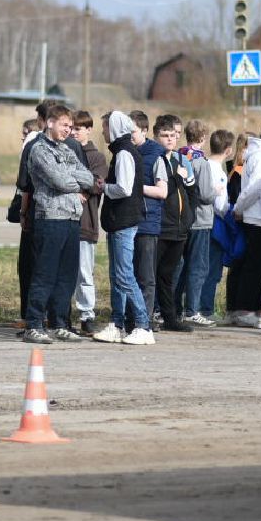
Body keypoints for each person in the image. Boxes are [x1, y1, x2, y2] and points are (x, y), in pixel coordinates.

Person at [20, 104, 97, 344]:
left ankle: (60, 323)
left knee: (66, 276)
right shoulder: (39, 150)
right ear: (50, 122)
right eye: (64, 125)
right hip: (51, 218)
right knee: (45, 274)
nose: (68, 130)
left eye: (71, 127)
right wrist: (75, 181)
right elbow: (60, 181)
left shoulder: (66, 149)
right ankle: (34, 324)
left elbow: (89, 178)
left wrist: (74, 179)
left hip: (71, 218)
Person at [93, 111, 154, 346]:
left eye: (105, 128)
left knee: (125, 275)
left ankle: (143, 325)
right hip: (118, 222)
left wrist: (104, 188)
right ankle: (117, 324)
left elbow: (124, 188)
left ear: (115, 129)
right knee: (117, 276)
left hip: (123, 222)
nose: (103, 132)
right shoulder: (122, 151)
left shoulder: (124, 153)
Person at [226, 117, 261, 328]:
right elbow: (255, 187)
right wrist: (239, 208)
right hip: (260, 217)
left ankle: (257, 309)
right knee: (255, 266)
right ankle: (245, 309)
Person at [150, 114, 199, 333]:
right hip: (160, 226)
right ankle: (144, 316)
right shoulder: (154, 159)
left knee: (168, 276)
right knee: (150, 274)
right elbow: (163, 191)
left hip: (180, 228)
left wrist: (189, 217)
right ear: (156, 136)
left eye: (173, 135)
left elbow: (192, 191)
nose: (170, 139)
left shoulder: (180, 161)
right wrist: (176, 178)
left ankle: (170, 317)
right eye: (165, 135)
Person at [175, 119, 216, 326]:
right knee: (198, 266)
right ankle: (192, 309)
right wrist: (216, 191)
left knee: (180, 266)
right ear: (203, 138)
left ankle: (175, 308)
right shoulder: (202, 162)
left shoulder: (180, 157)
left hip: (183, 218)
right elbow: (206, 195)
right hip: (200, 219)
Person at [192, 128, 235, 325]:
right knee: (211, 269)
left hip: (196, 221)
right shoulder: (218, 172)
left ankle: (192, 305)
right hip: (213, 224)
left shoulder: (202, 163)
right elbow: (220, 205)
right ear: (228, 150)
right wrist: (232, 213)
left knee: (197, 265)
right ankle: (205, 308)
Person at [71, 110, 108, 333]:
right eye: (71, 128)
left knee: (84, 273)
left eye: (78, 129)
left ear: (88, 130)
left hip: (86, 223)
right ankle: (59, 315)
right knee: (63, 272)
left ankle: (87, 314)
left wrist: (79, 188)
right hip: (65, 223)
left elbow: (96, 184)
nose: (73, 133)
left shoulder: (97, 157)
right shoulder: (64, 150)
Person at [130, 110, 165, 325]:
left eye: (133, 131)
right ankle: (129, 317)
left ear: (144, 131)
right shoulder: (123, 152)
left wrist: (135, 187)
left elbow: (162, 191)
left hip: (147, 223)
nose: (129, 136)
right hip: (127, 223)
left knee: (145, 276)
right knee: (129, 274)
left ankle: (145, 319)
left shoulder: (156, 155)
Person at [11, 111, 46, 327]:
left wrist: (23, 212)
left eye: (26, 133)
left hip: (35, 215)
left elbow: (24, 186)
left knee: (30, 267)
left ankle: (32, 315)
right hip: (36, 215)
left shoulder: (33, 146)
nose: (23, 137)